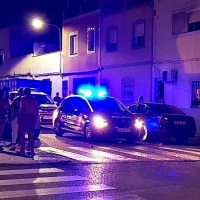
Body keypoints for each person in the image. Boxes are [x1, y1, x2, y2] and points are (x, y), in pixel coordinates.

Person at [18, 87, 39, 157]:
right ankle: (32, 150)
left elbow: (22, 108)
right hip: (31, 117)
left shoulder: (23, 98)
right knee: (31, 135)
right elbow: (37, 109)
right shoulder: (33, 99)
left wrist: (19, 117)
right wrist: (35, 117)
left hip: (24, 117)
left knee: (22, 134)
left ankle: (22, 150)